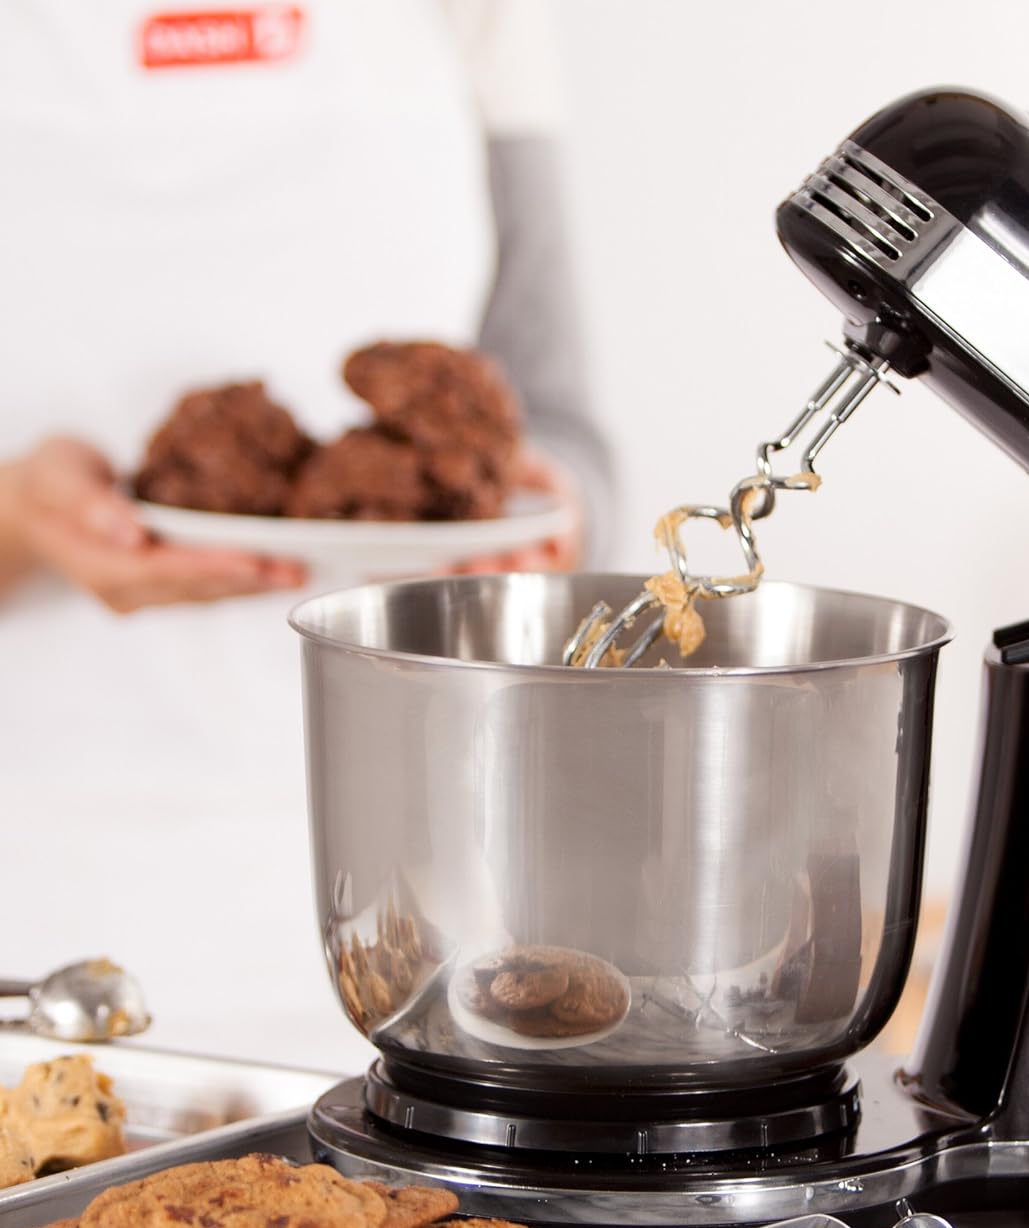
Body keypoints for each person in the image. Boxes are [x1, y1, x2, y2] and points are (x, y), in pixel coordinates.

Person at [0, 0, 613, 1065]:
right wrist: (17, 524)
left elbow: (566, 438)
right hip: (36, 897)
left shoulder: (479, 18)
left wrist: (540, 520)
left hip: (425, 906)